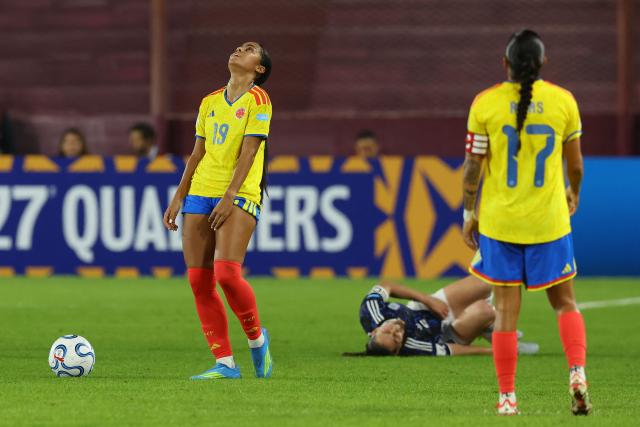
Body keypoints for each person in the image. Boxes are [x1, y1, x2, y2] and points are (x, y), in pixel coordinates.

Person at [461, 30, 590, 415]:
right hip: (549, 222)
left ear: (506, 64)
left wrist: (470, 212)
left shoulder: (485, 104)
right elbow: (577, 165)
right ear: (543, 64)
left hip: (500, 224)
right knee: (566, 304)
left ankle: (507, 398)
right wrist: (573, 192)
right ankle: (577, 373)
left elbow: (473, 168)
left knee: (504, 313)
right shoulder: (563, 101)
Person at [163, 42, 273, 380]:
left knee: (226, 273)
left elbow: (250, 152)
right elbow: (196, 155)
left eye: (250, 50)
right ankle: (225, 363)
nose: (240, 50)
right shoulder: (209, 101)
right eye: (240, 47)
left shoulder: (259, 100)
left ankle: (257, 341)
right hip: (200, 191)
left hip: (237, 194)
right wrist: (179, 196)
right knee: (199, 280)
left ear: (259, 69)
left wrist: (230, 195)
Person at [356, 276, 539, 357]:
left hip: (425, 308)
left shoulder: (370, 311)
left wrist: (427, 299)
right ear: (398, 350)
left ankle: (489, 328)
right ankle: (498, 335)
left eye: (387, 332)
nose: (395, 331)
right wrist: (494, 351)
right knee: (484, 310)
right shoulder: (411, 346)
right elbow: (452, 349)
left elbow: (388, 285)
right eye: (396, 339)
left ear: (374, 330)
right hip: (446, 332)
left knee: (487, 282)